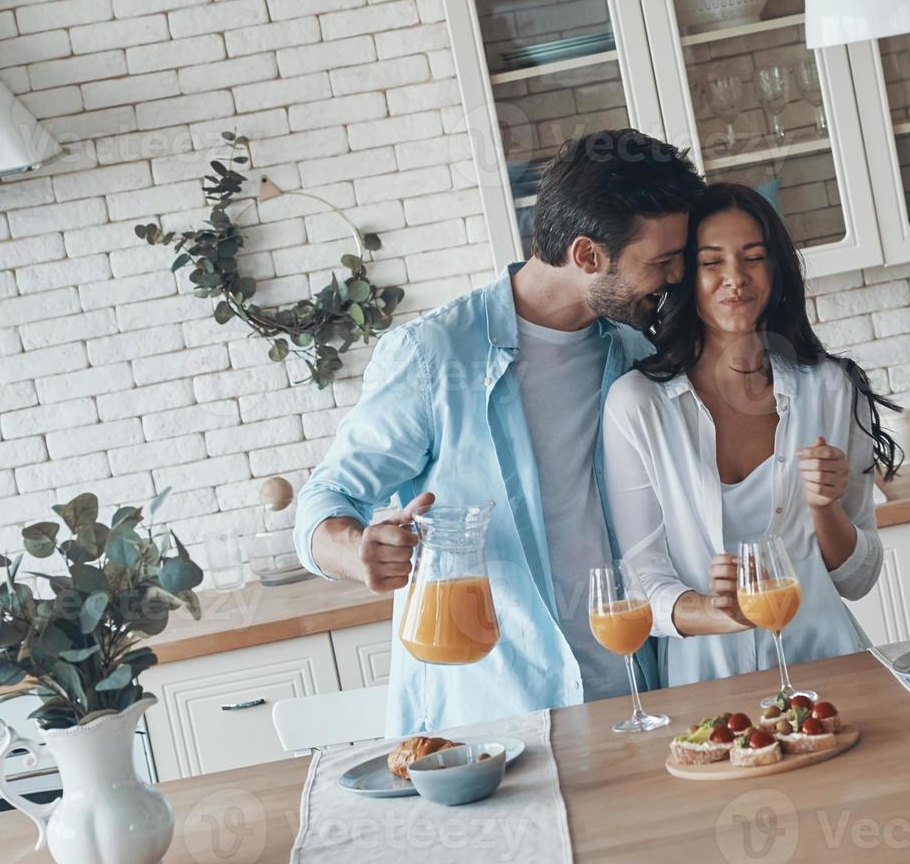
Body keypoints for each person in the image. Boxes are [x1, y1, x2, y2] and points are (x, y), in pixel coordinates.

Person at [295, 129, 707, 735]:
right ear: (589, 255)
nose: (675, 277)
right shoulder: (434, 355)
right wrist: (358, 552)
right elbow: (321, 505)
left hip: (631, 694)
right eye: (662, 261)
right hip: (492, 711)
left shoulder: (633, 350)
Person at [602, 182, 901, 688]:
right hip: (710, 688)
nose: (735, 278)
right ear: (682, 275)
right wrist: (718, 613)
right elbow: (640, 581)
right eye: (711, 261)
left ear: (776, 270)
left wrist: (826, 507)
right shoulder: (638, 405)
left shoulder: (829, 388)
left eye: (754, 257)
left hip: (833, 668)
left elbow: (856, 579)